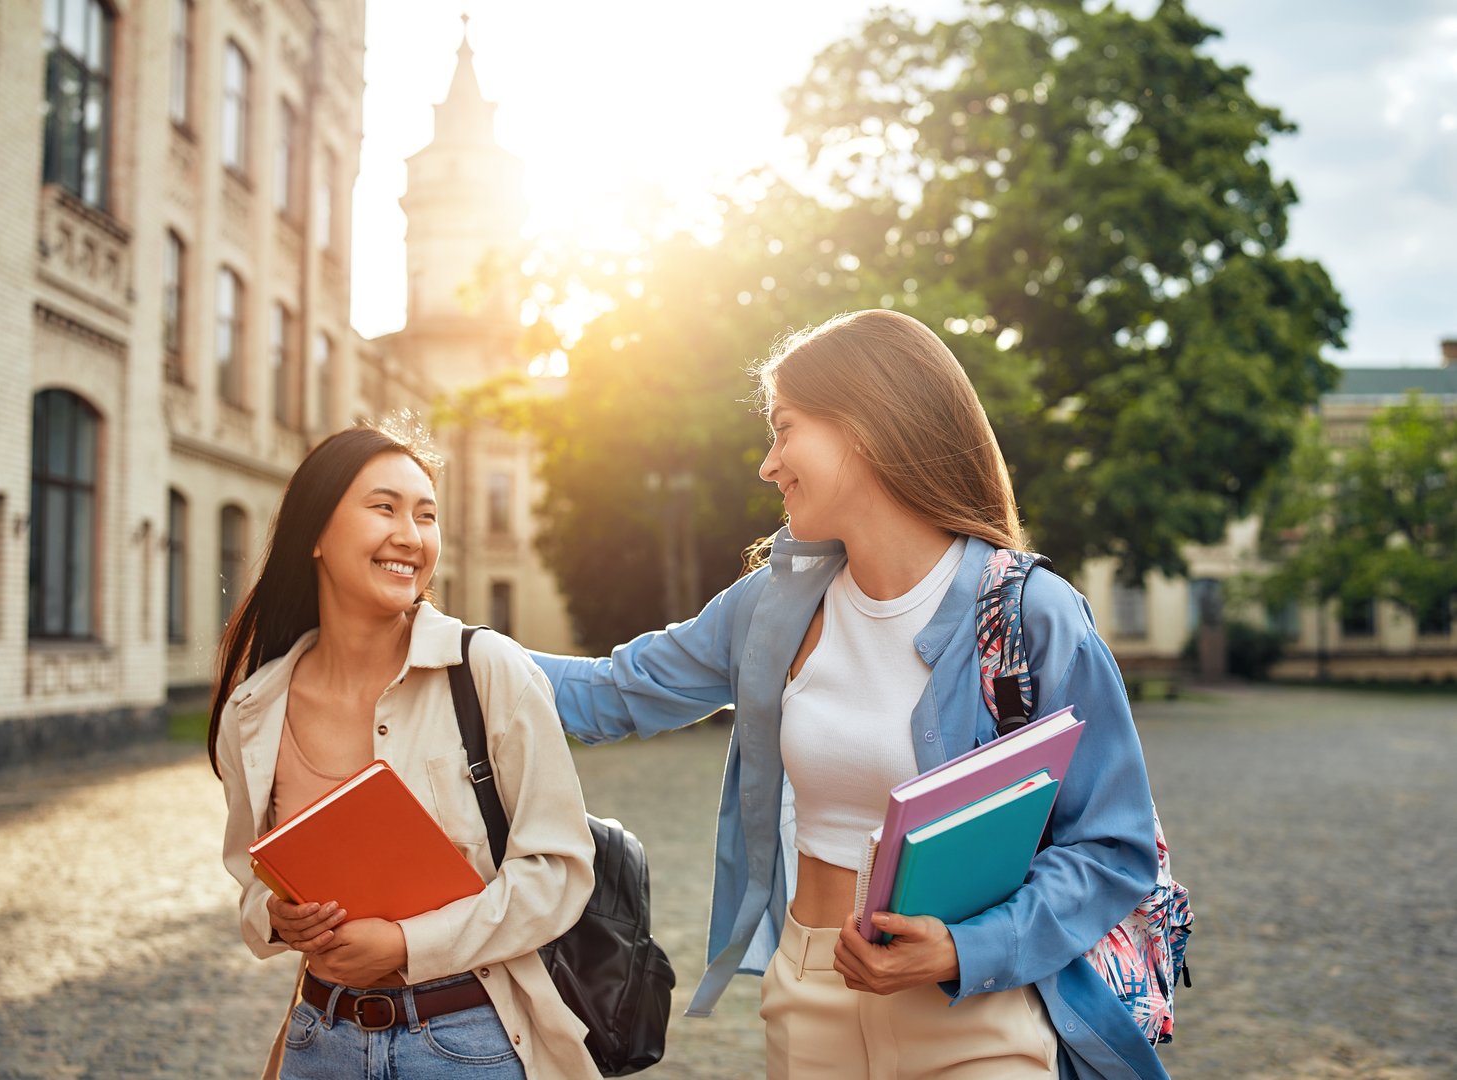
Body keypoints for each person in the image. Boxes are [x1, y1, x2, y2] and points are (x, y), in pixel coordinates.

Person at [530, 309, 1168, 1080]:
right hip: (810, 998)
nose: (769, 464)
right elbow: (612, 694)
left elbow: (1112, 846)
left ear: (863, 428)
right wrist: (437, 643)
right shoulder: (774, 604)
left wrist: (967, 949)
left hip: (975, 1014)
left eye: (785, 428)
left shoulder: (1029, 612)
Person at [209, 419, 602, 1080]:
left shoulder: (487, 671)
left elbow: (560, 871)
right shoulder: (254, 710)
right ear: (314, 535)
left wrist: (404, 943)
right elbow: (251, 879)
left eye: (426, 515)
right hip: (318, 1040)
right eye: (383, 508)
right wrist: (279, 917)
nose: (410, 536)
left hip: (467, 1041)